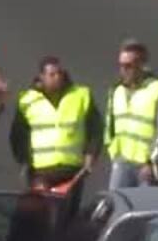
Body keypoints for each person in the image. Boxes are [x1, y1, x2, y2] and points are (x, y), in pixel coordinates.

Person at [11, 56, 100, 207]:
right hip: (41, 172)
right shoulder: (27, 100)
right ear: (42, 77)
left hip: (72, 171)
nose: (57, 77)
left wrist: (91, 155)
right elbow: (18, 135)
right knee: (41, 215)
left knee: (68, 216)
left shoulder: (80, 95)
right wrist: (25, 162)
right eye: (52, 74)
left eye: (59, 73)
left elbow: (95, 129)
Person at [104, 41, 158, 190]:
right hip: (121, 162)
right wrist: (114, 154)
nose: (123, 70)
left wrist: (152, 163)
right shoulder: (116, 91)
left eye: (128, 66)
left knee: (146, 209)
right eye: (121, 65)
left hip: (145, 167)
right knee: (117, 206)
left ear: (141, 66)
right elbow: (109, 127)